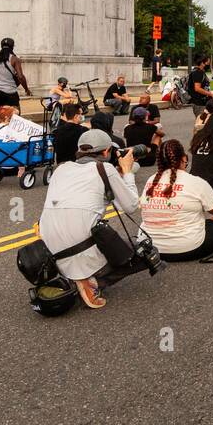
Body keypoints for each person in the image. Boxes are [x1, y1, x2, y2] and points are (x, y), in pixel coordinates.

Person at [37, 128, 141, 309]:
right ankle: (92, 282)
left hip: (51, 252)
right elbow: (131, 206)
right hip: (79, 248)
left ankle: (72, 275)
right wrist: (127, 171)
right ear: (107, 151)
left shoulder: (61, 169)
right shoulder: (105, 168)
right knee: (143, 251)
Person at [139, 138, 213, 262]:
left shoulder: (151, 180)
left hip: (150, 249)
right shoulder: (196, 182)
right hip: (187, 249)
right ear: (183, 158)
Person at [0, 37, 32, 118]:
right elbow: (20, 77)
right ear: (12, 47)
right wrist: (26, 89)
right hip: (11, 94)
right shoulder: (14, 59)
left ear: (1, 46)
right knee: (15, 118)